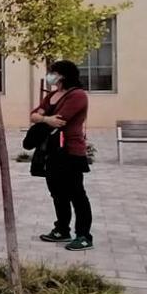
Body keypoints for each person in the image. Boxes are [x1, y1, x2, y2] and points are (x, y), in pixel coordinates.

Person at [31, 60, 93, 251]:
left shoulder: (77, 95)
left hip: (70, 150)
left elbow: (60, 120)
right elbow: (34, 115)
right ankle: (62, 229)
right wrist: (45, 118)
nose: (50, 76)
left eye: (53, 72)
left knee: (76, 193)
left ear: (63, 75)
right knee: (57, 192)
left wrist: (44, 118)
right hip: (51, 151)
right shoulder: (51, 95)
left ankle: (83, 235)